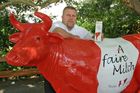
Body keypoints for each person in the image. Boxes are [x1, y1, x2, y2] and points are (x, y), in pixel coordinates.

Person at [44, 6, 94, 93]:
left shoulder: (81, 30)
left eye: (73, 16)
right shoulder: (56, 25)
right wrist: (74, 37)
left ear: (76, 18)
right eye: (68, 15)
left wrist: (99, 35)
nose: (71, 18)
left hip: (73, 72)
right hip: (54, 72)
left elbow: (92, 38)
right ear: (62, 17)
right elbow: (58, 32)